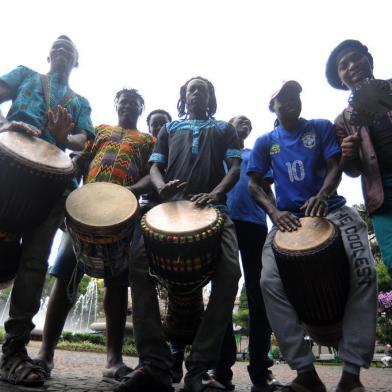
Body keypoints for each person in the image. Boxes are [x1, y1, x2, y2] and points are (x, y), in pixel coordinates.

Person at [247, 81, 377, 392]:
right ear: (273, 107)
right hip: (289, 220)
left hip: (333, 211)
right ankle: (305, 373)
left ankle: (351, 374)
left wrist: (323, 193)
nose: (291, 101)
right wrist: (275, 213)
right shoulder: (265, 142)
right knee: (268, 282)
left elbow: (336, 166)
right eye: (283, 98)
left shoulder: (319, 127)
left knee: (365, 270)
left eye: (295, 95)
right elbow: (255, 186)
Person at [117, 76, 242, 392]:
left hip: (215, 210)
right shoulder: (168, 130)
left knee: (230, 272)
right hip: (170, 211)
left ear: (211, 97)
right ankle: (154, 365)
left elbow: (235, 169)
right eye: (191, 90)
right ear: (183, 98)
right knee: (137, 263)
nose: (196, 93)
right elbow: (156, 168)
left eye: (202, 89)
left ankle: (198, 369)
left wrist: (215, 194)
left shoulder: (224, 129)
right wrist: (160, 188)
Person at [34, 89, 155, 383]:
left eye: (134, 102)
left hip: (123, 213)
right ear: (116, 104)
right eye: (122, 101)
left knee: (117, 281)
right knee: (65, 274)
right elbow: (79, 161)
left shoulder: (148, 141)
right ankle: (45, 353)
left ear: (141, 108)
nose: (127, 105)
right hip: (84, 210)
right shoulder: (99, 131)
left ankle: (113, 360)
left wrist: (130, 193)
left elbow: (153, 174)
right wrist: (67, 196)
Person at [0, 35, 94, 387]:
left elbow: (81, 141)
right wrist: (5, 125)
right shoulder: (25, 75)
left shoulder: (80, 101)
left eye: (69, 48)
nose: (62, 48)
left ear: (76, 61)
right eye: (57, 46)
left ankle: (13, 353)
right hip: (7, 167)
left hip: (53, 184)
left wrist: (63, 135)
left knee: (35, 262)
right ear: (48, 54)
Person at [326, 39, 392, 278]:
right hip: (382, 196)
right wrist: (348, 154)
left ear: (369, 60)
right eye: (344, 66)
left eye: (356, 58)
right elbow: (353, 171)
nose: (352, 66)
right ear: (341, 80)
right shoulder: (342, 121)